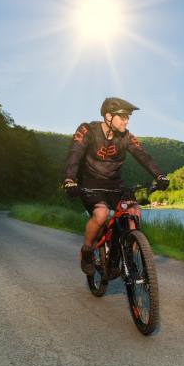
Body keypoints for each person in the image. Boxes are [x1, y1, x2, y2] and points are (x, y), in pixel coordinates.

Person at [63, 97, 169, 276]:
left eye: (128, 117)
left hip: (115, 185)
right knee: (101, 214)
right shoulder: (87, 130)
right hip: (90, 184)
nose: (127, 121)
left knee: (134, 212)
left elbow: (143, 155)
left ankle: (124, 259)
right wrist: (69, 179)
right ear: (108, 116)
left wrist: (159, 175)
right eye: (123, 117)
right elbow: (75, 153)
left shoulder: (126, 136)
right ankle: (87, 251)